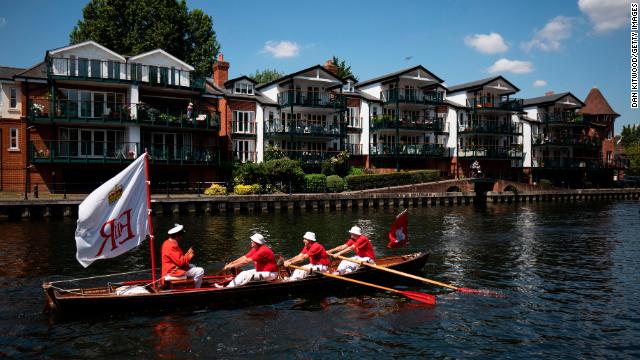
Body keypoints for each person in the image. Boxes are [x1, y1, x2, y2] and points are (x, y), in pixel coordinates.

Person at [161, 224, 204, 288]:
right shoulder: (172, 246)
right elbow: (181, 262)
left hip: (171, 268)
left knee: (193, 266)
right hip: (172, 271)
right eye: (181, 235)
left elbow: (178, 259)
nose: (182, 237)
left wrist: (187, 254)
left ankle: (189, 283)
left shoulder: (167, 242)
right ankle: (195, 289)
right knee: (200, 271)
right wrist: (189, 254)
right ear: (176, 235)